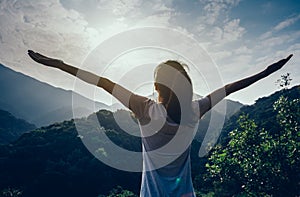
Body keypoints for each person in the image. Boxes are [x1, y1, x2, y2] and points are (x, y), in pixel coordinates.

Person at [28, 50, 292, 197]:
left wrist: (59, 64)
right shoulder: (194, 111)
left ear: (156, 87)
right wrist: (267, 72)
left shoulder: (144, 108)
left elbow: (102, 82)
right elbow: (230, 88)